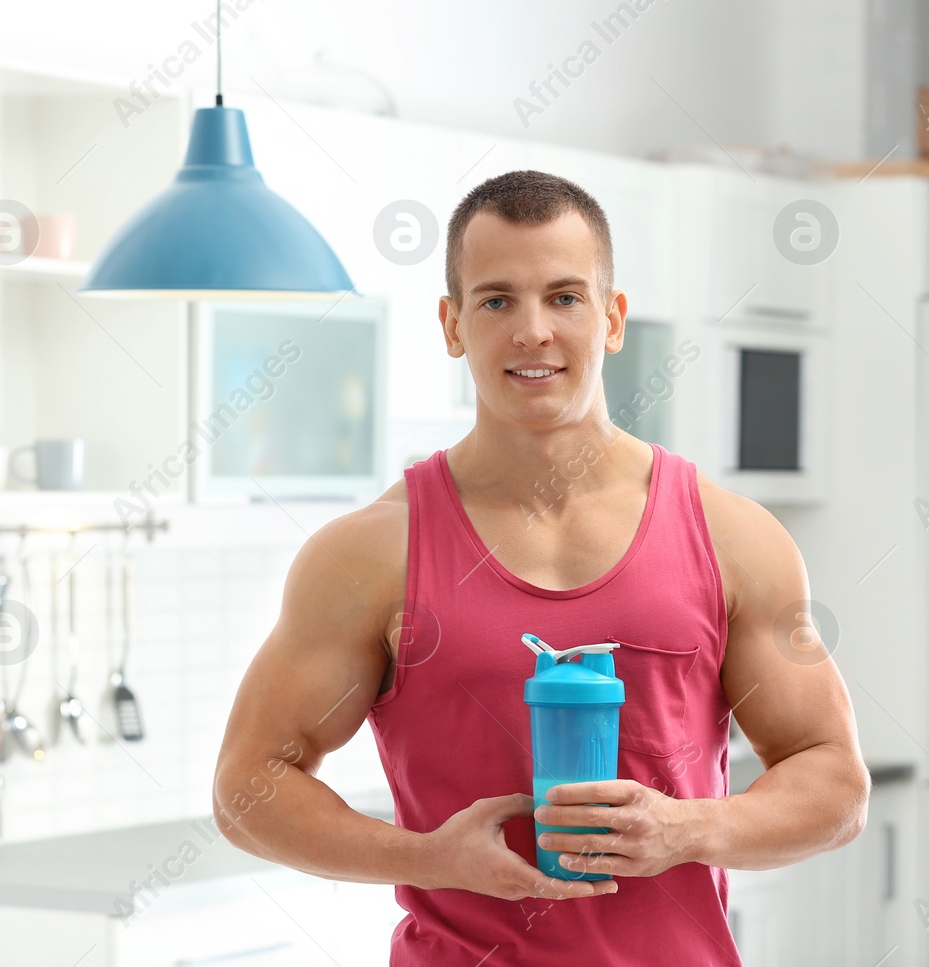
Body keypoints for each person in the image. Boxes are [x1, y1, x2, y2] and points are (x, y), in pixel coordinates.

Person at [211, 170, 870, 965]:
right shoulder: (372, 551)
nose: (532, 331)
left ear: (612, 317)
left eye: (564, 297)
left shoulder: (732, 536)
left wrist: (687, 828)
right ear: (452, 324)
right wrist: (429, 856)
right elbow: (247, 789)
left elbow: (835, 782)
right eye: (496, 300)